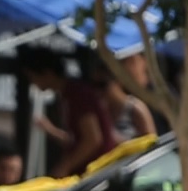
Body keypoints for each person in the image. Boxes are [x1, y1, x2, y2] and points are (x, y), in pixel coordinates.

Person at [21, 48, 119, 178]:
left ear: (47, 73)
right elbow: (76, 140)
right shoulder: (67, 95)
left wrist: (64, 167)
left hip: (96, 175)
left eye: (32, 77)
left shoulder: (77, 94)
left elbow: (93, 139)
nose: (33, 83)